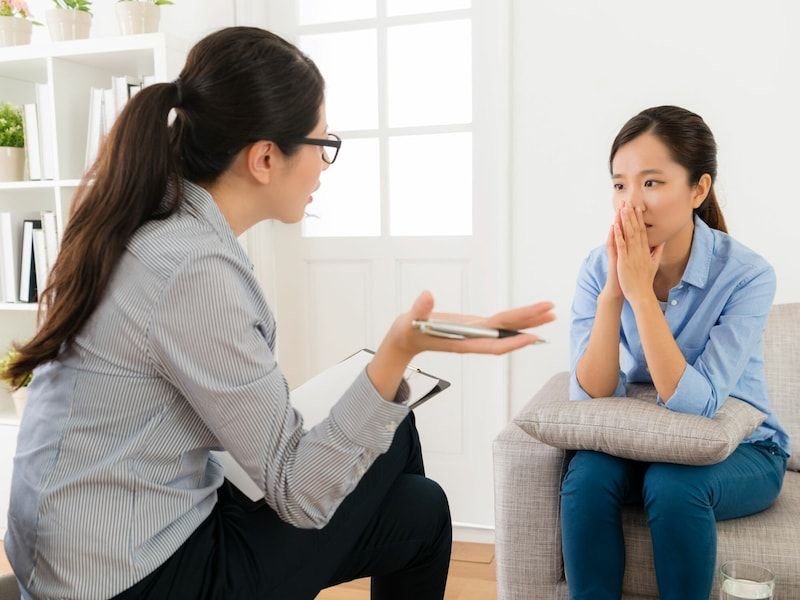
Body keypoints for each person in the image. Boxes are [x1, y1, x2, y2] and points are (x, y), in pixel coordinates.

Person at [2, 27, 555, 600]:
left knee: (417, 503)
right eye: (322, 143)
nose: (324, 165)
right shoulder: (194, 270)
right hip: (129, 576)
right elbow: (299, 493)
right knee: (398, 450)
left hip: (97, 539)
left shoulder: (153, 223)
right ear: (265, 157)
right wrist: (400, 347)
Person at [562, 105, 791, 600]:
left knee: (673, 485)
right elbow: (591, 396)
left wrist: (642, 296)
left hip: (745, 450)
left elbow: (698, 403)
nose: (631, 203)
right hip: (646, 442)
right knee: (587, 475)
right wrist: (613, 293)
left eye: (651, 182)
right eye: (620, 185)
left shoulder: (747, 275)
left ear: (698, 189)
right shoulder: (597, 267)